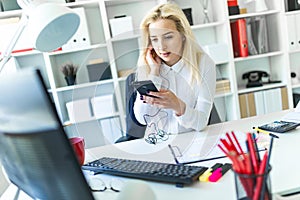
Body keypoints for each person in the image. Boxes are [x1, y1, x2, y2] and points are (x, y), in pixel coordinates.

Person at [133, 3, 216, 141]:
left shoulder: (203, 64)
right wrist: (154, 73)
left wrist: (179, 107)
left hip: (194, 141)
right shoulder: (147, 65)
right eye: (154, 39)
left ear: (183, 35)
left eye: (168, 37)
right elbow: (142, 119)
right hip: (158, 144)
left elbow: (201, 122)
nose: (161, 46)